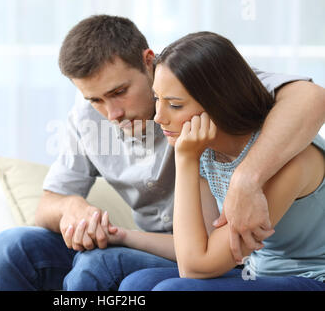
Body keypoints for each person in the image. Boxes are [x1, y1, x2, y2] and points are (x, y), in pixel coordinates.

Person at [0, 15, 325, 291]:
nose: (111, 114)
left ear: (149, 62)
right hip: (178, 248)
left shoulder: (202, 84)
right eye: (95, 99)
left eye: (119, 91)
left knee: (106, 267)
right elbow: (48, 204)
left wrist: (246, 178)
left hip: (222, 256)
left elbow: (311, 97)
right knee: (11, 249)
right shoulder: (196, 147)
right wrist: (74, 208)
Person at [119, 31, 325, 291]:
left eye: (175, 105)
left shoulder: (282, 158)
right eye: (157, 99)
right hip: (256, 273)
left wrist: (184, 161)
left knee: (171, 290)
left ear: (219, 102)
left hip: (312, 278)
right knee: (136, 284)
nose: (158, 117)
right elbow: (197, 248)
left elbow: (195, 267)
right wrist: (190, 159)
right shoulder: (205, 150)